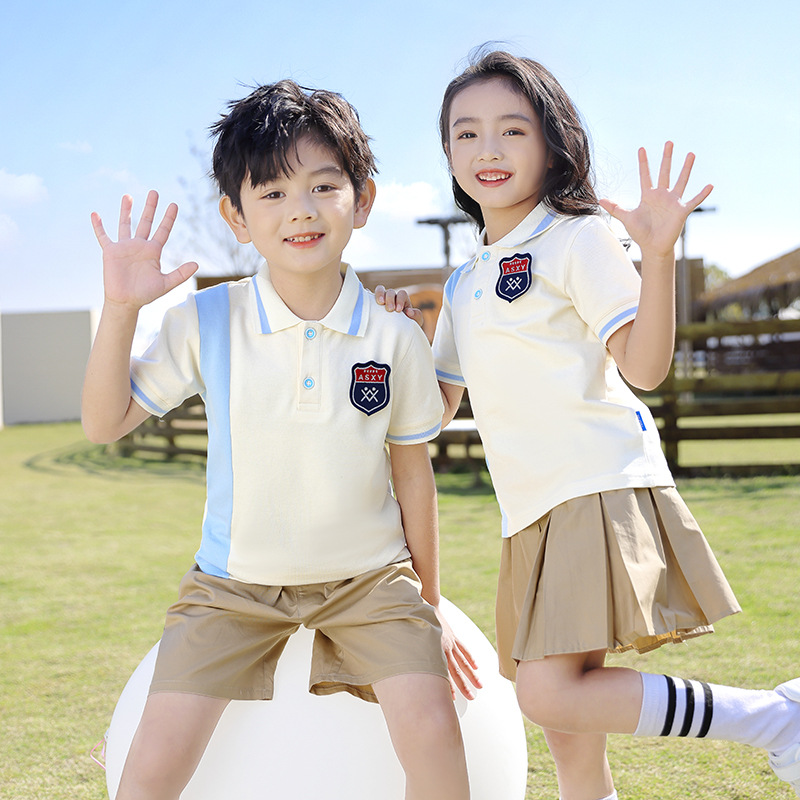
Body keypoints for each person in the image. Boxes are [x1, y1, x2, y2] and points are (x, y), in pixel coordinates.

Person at [378, 49, 800, 800]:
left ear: (552, 143)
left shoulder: (577, 237)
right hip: (528, 513)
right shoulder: (466, 280)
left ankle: (776, 719)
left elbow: (644, 366)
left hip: (594, 486)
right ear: (448, 152)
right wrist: (398, 344)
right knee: (568, 732)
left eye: (512, 130)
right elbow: (435, 411)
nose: (488, 149)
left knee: (548, 693)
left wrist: (659, 255)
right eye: (466, 133)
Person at [82, 79, 480, 800]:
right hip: (230, 588)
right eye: (271, 192)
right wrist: (119, 309)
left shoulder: (394, 335)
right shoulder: (205, 321)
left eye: (324, 186)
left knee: (434, 732)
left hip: (371, 582)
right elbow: (104, 423)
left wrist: (429, 604)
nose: (300, 209)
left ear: (363, 200)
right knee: (152, 764)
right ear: (235, 216)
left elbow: (412, 474)